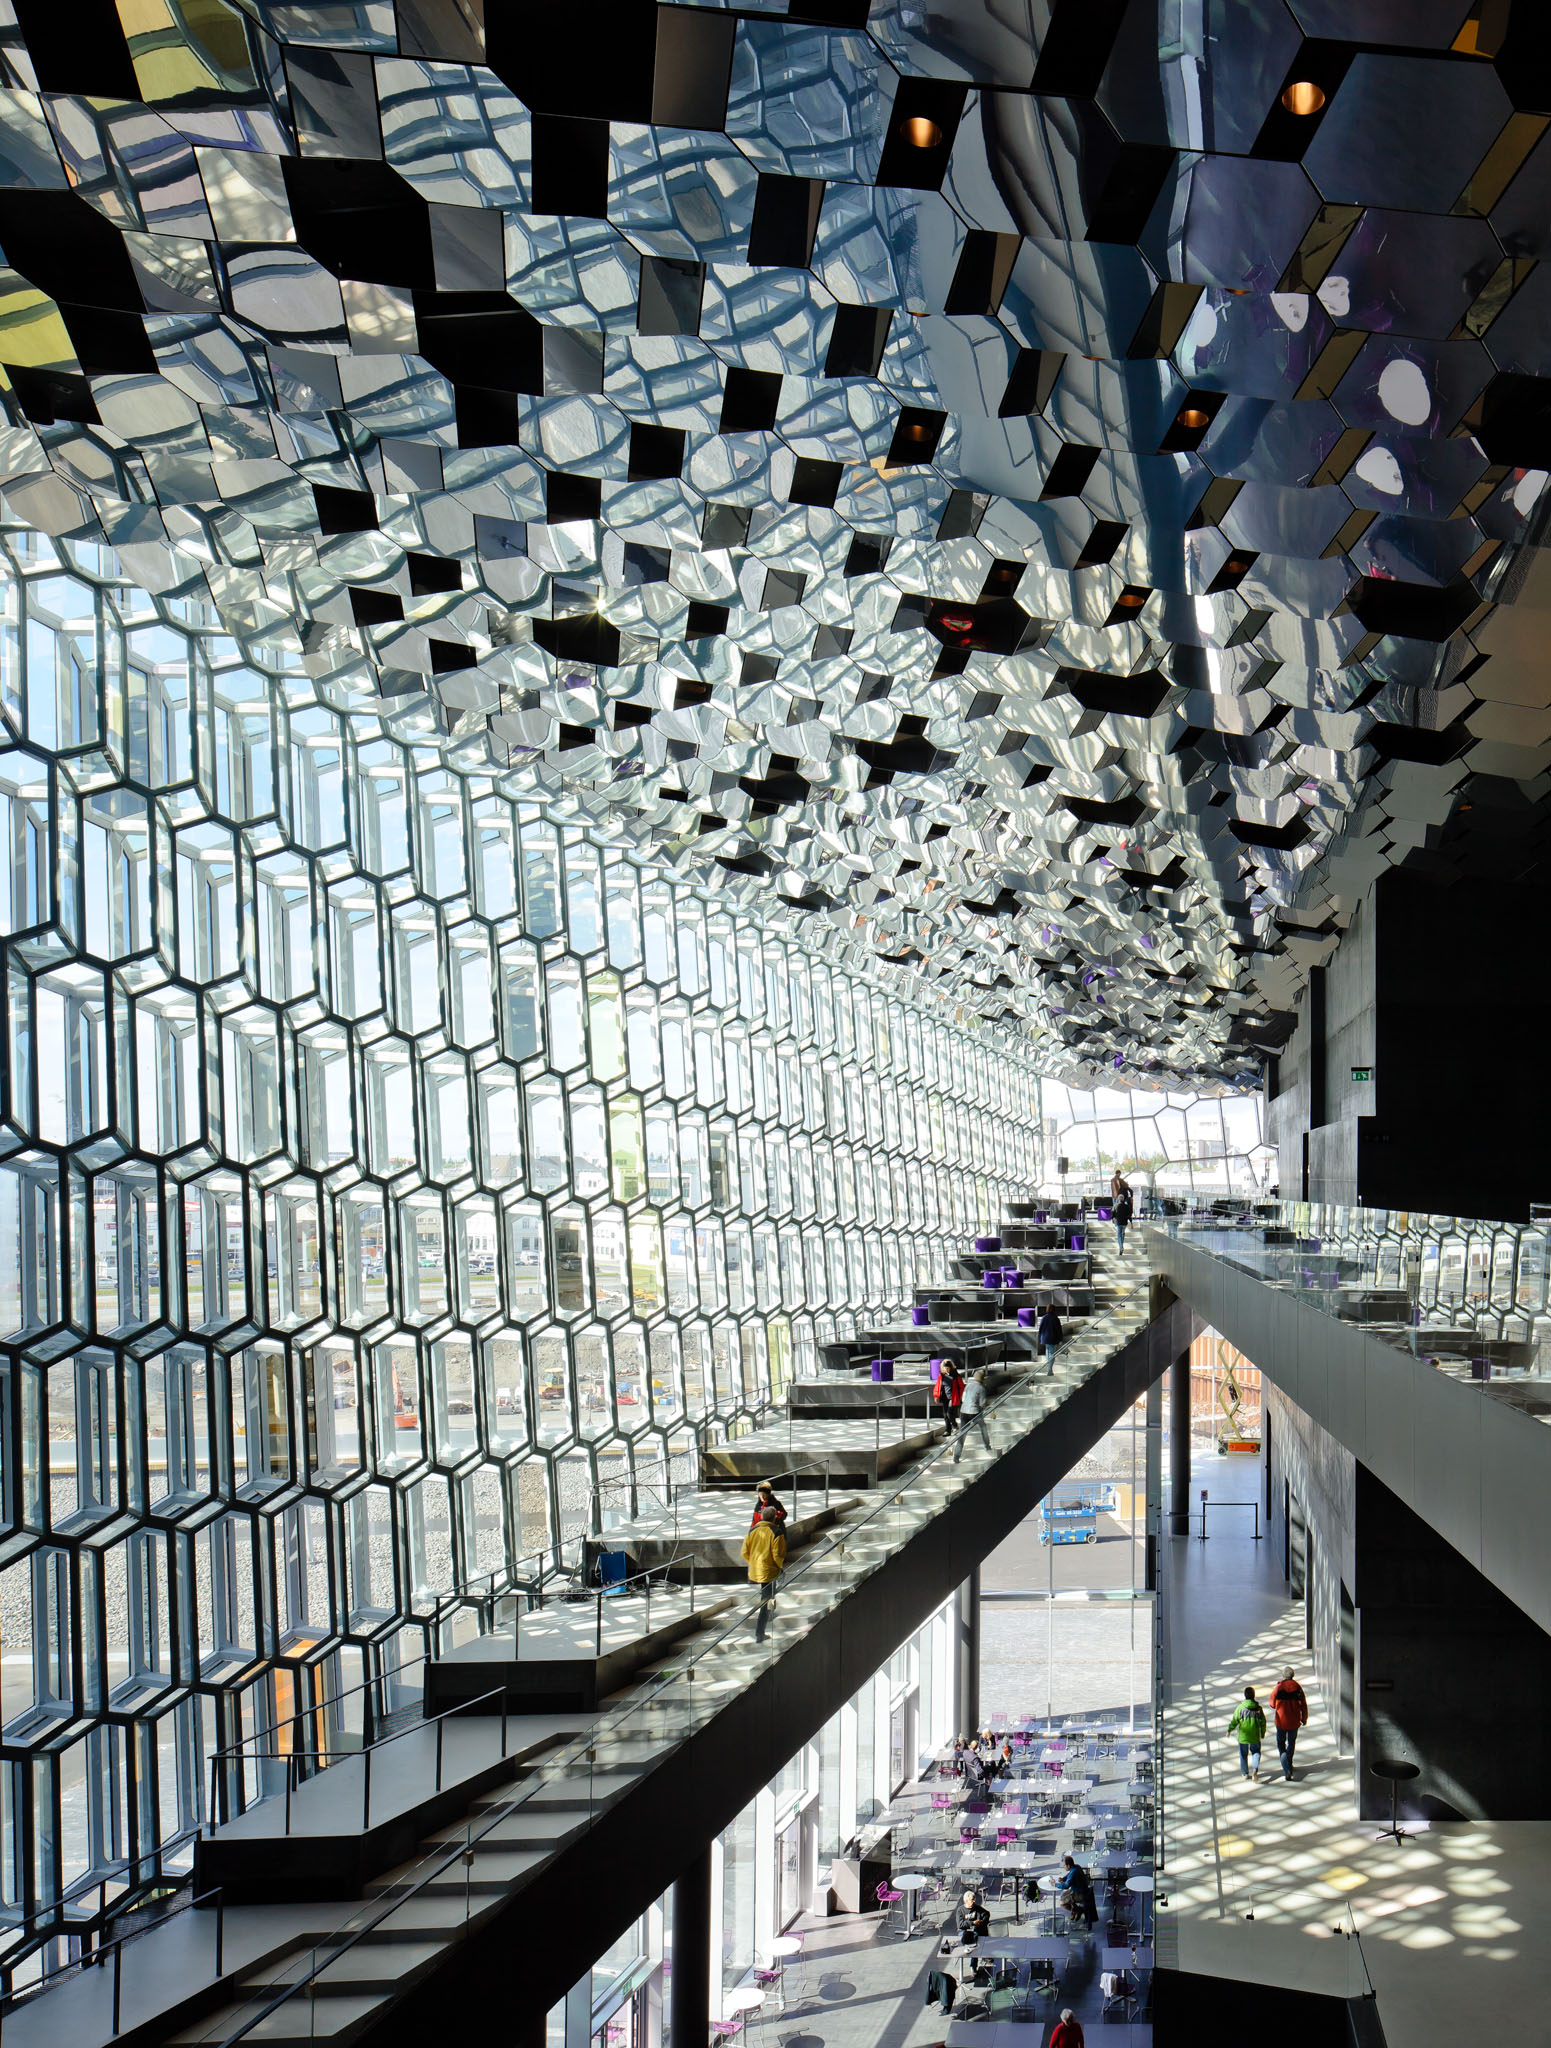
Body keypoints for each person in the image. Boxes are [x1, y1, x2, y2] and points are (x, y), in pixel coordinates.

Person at [742, 1505, 785, 1641]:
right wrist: (780, 1569)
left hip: (756, 1570)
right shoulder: (776, 1532)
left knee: (767, 1596)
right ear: (774, 1518)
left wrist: (754, 1563)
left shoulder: (752, 1531)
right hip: (770, 1571)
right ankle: (760, 1633)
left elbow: (744, 1552)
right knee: (765, 1601)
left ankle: (770, 1614)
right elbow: (777, 1555)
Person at [1271, 1665, 1309, 1780]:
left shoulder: (1279, 1687)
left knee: (1281, 1744)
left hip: (1281, 1722)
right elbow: (1303, 1705)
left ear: (1283, 1675)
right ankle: (1289, 1765)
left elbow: (1272, 1704)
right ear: (1293, 1675)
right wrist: (1304, 1718)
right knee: (1291, 1744)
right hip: (1294, 1722)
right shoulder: (1297, 1687)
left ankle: (1287, 1769)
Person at [1228, 1684, 1266, 1779]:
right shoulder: (1258, 1708)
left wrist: (1230, 1730)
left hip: (1243, 1736)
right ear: (1254, 1695)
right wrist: (1262, 1733)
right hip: (1255, 1735)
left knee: (1243, 1754)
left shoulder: (1240, 1708)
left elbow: (1235, 1720)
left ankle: (1245, 1773)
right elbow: (1263, 1722)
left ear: (1245, 1696)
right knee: (1256, 1752)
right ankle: (1255, 1769)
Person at [953, 1369, 991, 1462]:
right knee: (983, 1428)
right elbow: (982, 1403)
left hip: (964, 1411)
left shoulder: (968, 1386)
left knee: (962, 1434)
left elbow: (963, 1398)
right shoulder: (981, 1388)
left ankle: (956, 1456)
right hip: (975, 1412)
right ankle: (987, 1446)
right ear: (982, 1379)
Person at [1054, 1855, 1095, 1930]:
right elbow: (1069, 1875)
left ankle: (1078, 1910)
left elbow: (1066, 1885)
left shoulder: (1073, 1872)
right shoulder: (1076, 1867)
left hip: (1080, 1894)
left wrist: (1055, 1884)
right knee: (1063, 1896)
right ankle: (1075, 1910)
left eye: (1064, 1865)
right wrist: (1063, 1878)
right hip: (1081, 1890)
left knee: (1062, 1902)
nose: (1064, 1867)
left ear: (1068, 1865)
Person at [934, 1359, 963, 1433]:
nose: (946, 1370)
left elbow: (961, 1386)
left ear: (950, 1367)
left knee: (949, 1413)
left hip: (953, 1397)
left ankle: (955, 1426)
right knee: (945, 1415)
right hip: (944, 1397)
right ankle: (948, 1430)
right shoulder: (941, 1375)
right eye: (945, 1368)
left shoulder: (956, 1376)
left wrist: (960, 1396)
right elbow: (938, 1386)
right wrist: (936, 1396)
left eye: (947, 1368)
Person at [1110, 1172, 1134, 1258]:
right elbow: (1129, 1214)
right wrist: (1131, 1223)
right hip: (1124, 1222)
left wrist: (1112, 1219)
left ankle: (1121, 1247)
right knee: (1122, 1233)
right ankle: (1121, 1245)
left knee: (1119, 1234)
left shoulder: (1116, 1205)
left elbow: (1113, 1213)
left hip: (1118, 1222)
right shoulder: (1127, 1206)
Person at [1036, 1303, 1062, 1373]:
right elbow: (1058, 1329)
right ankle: (1050, 1368)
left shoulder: (1044, 1317)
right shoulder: (1055, 1318)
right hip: (1053, 1338)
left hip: (1045, 1338)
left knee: (1047, 1352)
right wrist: (1060, 1339)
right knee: (1052, 1353)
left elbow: (1040, 1328)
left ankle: (1049, 1367)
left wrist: (1040, 1338)